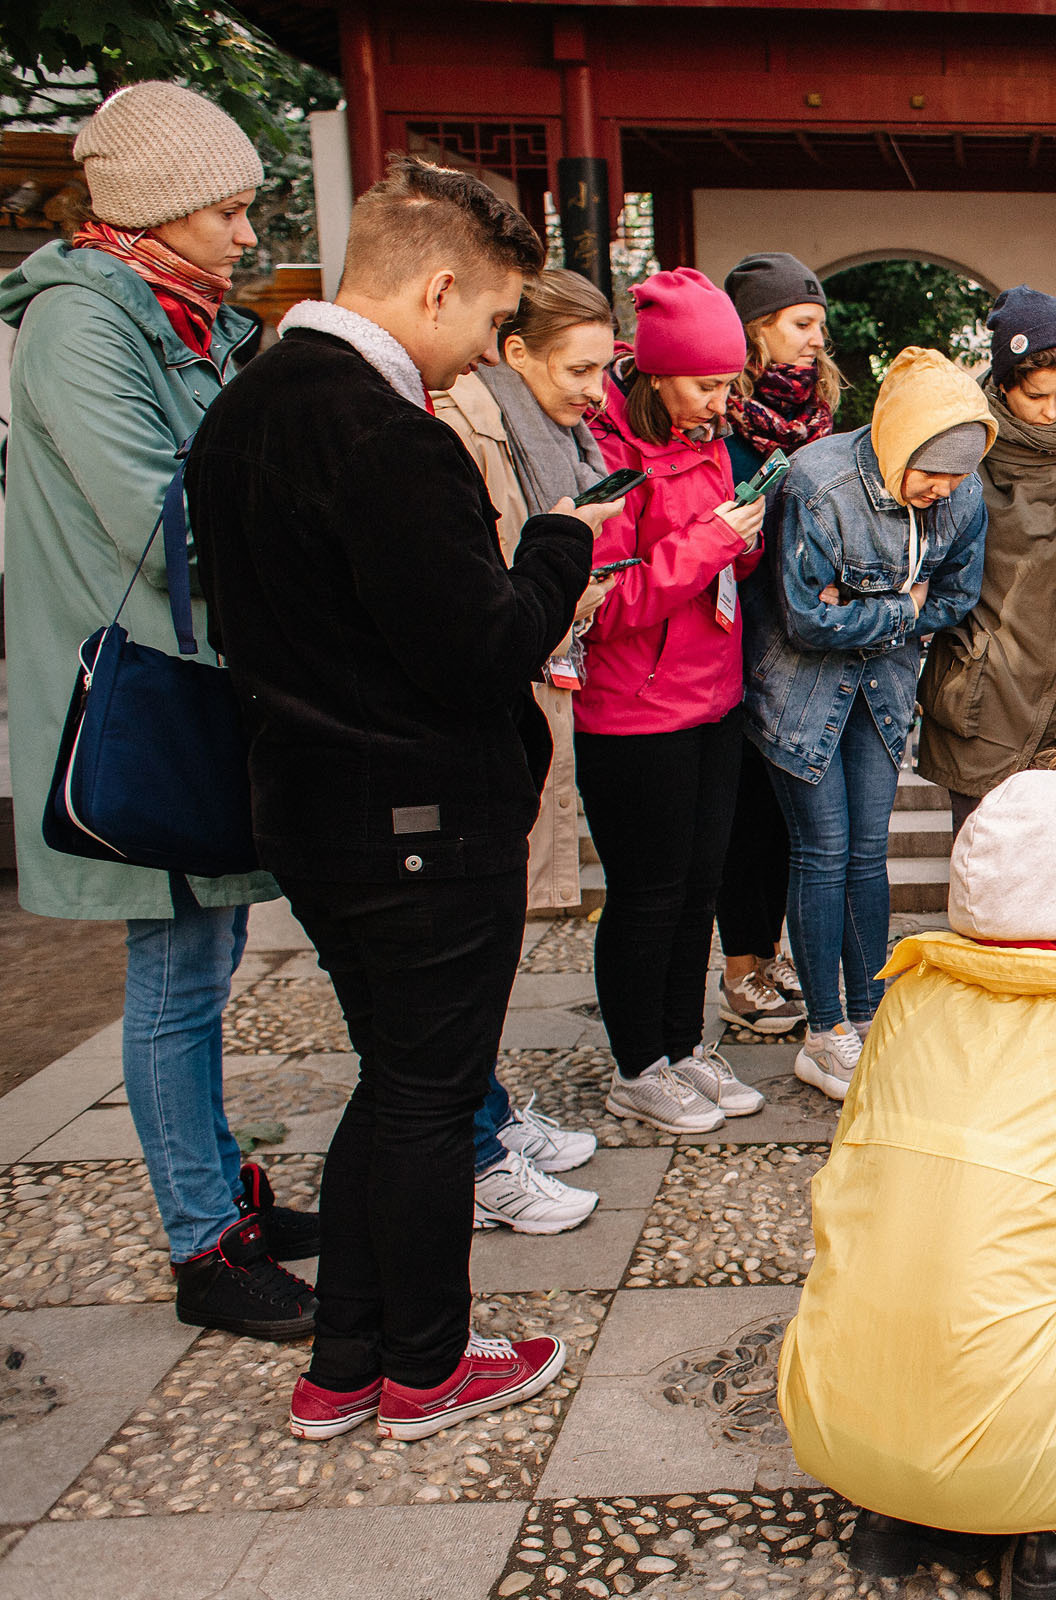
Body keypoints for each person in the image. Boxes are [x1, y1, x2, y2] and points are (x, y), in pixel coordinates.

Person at [188, 156, 608, 1440]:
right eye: (489, 325)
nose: (487, 356)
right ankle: (426, 1365)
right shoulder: (386, 435)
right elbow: (480, 649)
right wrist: (558, 546)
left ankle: (347, 1358)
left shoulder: (244, 409)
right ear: (436, 287)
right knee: (429, 1094)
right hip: (423, 822)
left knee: (398, 1082)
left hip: (313, 811)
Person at [0, 82, 312, 1340]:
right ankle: (203, 1240)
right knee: (177, 971)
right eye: (227, 211)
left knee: (205, 958)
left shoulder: (182, 319)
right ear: (149, 210)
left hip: (190, 674)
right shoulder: (83, 327)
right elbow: (157, 509)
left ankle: (223, 1182)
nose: (247, 235)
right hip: (138, 689)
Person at [778, 769, 1056, 1595]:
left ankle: (893, 1510)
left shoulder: (905, 1000)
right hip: (1025, 1466)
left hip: (833, 1430)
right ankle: (1055, 1530)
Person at [747, 347, 991, 1101]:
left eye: (955, 477)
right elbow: (802, 621)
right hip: (800, 692)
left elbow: (959, 594)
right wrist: (901, 607)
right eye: (931, 474)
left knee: (866, 854)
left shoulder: (963, 496)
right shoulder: (817, 483)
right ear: (897, 441)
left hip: (882, 691)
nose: (942, 490)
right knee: (820, 851)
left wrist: (858, 610)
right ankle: (824, 1034)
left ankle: (868, 1015)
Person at [432, 266, 621, 1234]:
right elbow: (484, 589)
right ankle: (472, 1152)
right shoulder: (468, 430)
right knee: (462, 956)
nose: (597, 391)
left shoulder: (553, 432)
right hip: (485, 703)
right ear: (514, 351)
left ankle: (490, 1114)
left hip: (535, 680)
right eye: (581, 368)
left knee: (490, 943)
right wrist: (563, 581)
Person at [579, 268, 771, 1135]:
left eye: (729, 382)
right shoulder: (607, 454)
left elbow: (720, 562)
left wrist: (744, 540)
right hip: (631, 712)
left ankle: (683, 1044)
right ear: (655, 375)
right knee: (647, 894)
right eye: (705, 384)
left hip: (713, 698)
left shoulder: (712, 440)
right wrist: (708, 545)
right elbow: (603, 606)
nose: (721, 401)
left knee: (699, 889)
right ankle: (637, 1065)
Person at [918, 286, 1056, 825]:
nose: (1052, 410)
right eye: (1036, 396)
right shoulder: (969, 444)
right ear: (1004, 383)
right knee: (982, 867)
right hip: (982, 680)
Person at [714, 251, 840, 1035]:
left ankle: (776, 953)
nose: (814, 341)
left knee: (793, 812)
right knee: (745, 815)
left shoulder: (818, 417)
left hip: (801, 640)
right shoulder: (718, 417)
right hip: (731, 632)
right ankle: (741, 963)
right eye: (800, 323)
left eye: (818, 325)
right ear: (756, 329)